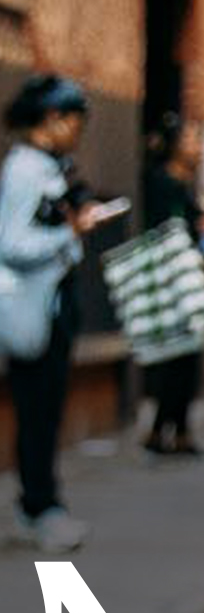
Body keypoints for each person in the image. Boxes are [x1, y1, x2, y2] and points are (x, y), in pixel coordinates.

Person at [1, 75, 127, 551]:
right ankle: (40, 506)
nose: (79, 131)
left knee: (46, 410)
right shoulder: (25, 170)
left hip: (51, 303)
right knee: (38, 410)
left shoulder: (46, 168)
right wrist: (68, 235)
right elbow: (11, 242)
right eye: (75, 121)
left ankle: (41, 503)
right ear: (52, 120)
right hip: (34, 307)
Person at [136, 112, 204, 456]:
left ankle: (174, 430)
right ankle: (166, 431)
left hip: (188, 278)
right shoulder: (161, 183)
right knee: (176, 356)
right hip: (171, 280)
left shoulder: (183, 185)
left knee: (185, 357)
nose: (199, 148)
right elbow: (170, 232)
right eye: (191, 141)